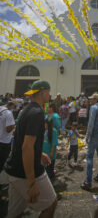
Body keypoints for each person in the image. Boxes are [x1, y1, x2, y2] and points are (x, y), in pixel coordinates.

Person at [5, 80, 57, 218]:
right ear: (43, 92)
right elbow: (27, 147)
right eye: (49, 92)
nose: (49, 96)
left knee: (14, 213)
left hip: (13, 169)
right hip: (25, 172)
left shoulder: (26, 110)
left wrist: (39, 153)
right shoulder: (37, 112)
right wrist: (32, 182)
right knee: (51, 204)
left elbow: (22, 139)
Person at [0, 101, 16, 173]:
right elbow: (8, 129)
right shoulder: (8, 113)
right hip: (4, 142)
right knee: (1, 161)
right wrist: (14, 125)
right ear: (12, 106)